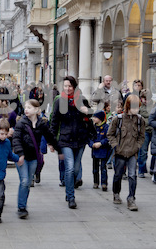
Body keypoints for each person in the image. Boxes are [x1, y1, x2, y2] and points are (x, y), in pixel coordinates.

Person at [49, 76, 93, 209]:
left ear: (74, 87)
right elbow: (54, 122)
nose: (67, 89)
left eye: (70, 86)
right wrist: (51, 141)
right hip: (65, 139)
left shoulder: (82, 100)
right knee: (69, 168)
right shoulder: (59, 101)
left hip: (80, 139)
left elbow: (91, 115)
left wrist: (87, 112)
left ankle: (69, 188)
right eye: (65, 86)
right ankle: (71, 196)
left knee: (76, 169)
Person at [12, 99, 59, 219]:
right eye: (25, 107)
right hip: (21, 157)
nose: (26, 110)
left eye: (29, 107)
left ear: (37, 110)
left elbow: (50, 136)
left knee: (27, 183)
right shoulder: (21, 123)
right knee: (24, 181)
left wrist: (58, 149)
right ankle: (21, 207)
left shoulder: (41, 124)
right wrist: (20, 154)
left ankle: (23, 204)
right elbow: (16, 140)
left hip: (33, 157)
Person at [107, 94, 145, 211]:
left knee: (132, 175)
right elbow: (110, 134)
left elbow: (141, 136)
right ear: (127, 106)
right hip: (120, 152)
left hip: (132, 152)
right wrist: (116, 146)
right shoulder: (117, 119)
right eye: (134, 107)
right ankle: (116, 192)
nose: (136, 110)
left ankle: (131, 198)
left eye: (137, 107)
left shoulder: (140, 120)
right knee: (118, 174)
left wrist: (137, 146)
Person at [89, 110, 111, 191]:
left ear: (100, 118)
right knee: (95, 168)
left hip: (104, 150)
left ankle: (104, 183)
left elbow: (108, 138)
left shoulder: (106, 127)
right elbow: (89, 138)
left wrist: (101, 143)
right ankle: (96, 182)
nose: (93, 119)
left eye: (95, 117)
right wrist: (92, 144)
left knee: (103, 167)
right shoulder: (93, 127)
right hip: (95, 151)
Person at [137, 90, 153, 178]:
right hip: (143, 131)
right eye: (144, 99)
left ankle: (153, 169)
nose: (146, 101)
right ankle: (141, 170)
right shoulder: (139, 106)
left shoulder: (154, 105)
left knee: (155, 151)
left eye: (148, 99)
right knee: (143, 151)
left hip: (154, 130)